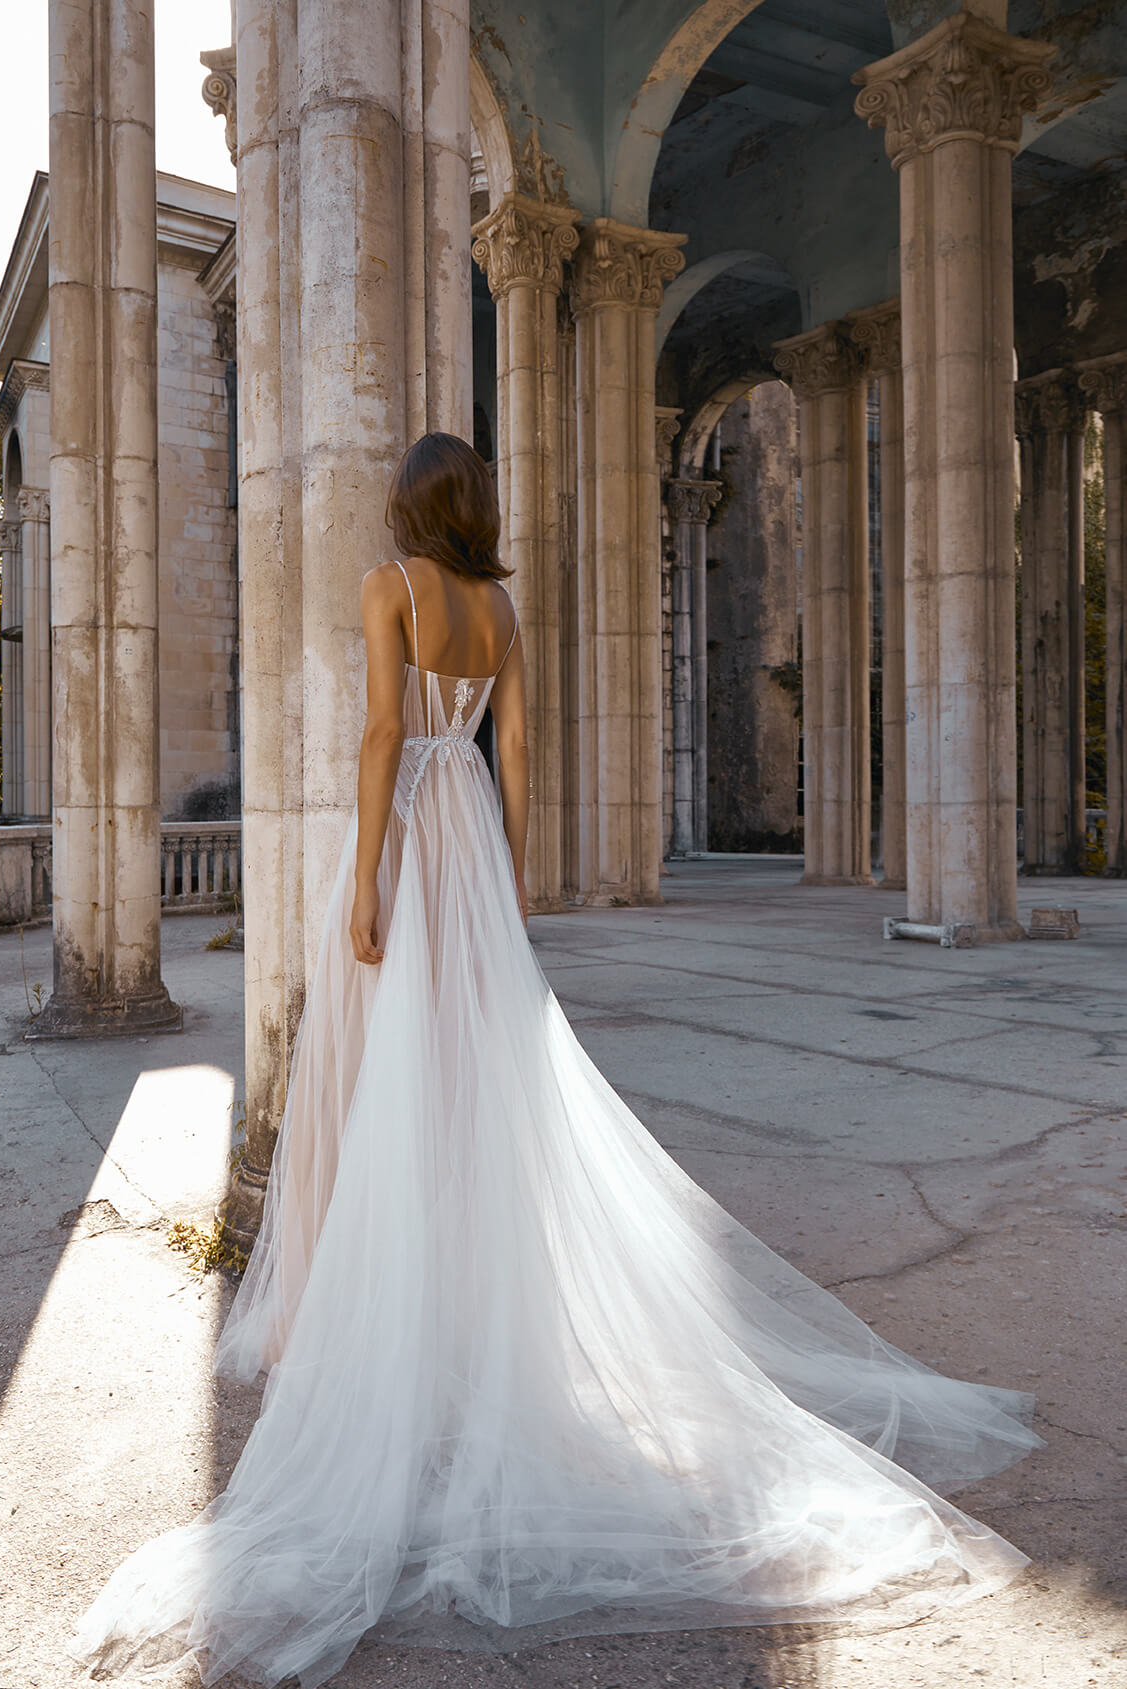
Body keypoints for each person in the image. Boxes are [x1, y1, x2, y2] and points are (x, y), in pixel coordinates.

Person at [72, 433, 1042, 1688]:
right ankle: (463, 1314)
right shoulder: (497, 604)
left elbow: (380, 737)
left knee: (375, 1076)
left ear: (409, 507)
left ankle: (363, 1315)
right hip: (471, 836)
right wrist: (509, 877)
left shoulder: (395, 588)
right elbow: (513, 751)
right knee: (476, 1085)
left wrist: (366, 877)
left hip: (415, 836)